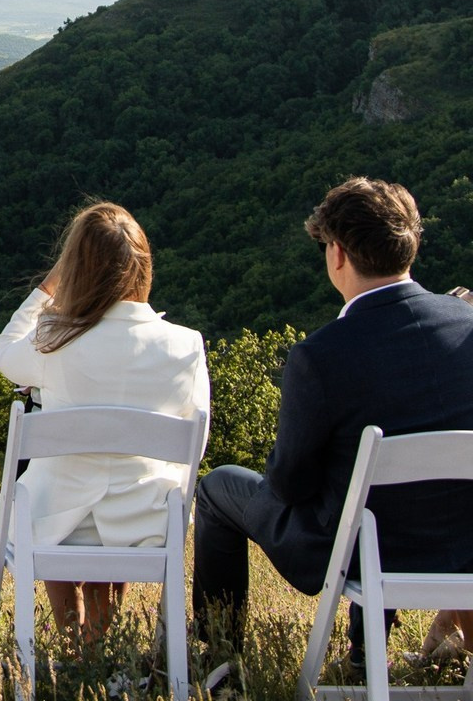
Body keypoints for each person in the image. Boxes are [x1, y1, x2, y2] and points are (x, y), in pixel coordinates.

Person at [192, 177, 473, 680]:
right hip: (461, 544)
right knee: (376, 498)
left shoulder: (321, 356)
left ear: (338, 254)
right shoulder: (467, 325)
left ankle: (218, 654)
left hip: (358, 549)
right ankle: (364, 657)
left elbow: (290, 482)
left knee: (217, 490)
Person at [0, 201, 209, 647]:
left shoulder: (53, 340)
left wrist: (48, 288)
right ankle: (97, 647)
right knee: (109, 499)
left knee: (57, 500)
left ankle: (75, 642)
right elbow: (197, 445)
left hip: (55, 523)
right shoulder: (186, 346)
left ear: (75, 269)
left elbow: (4, 353)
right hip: (144, 524)